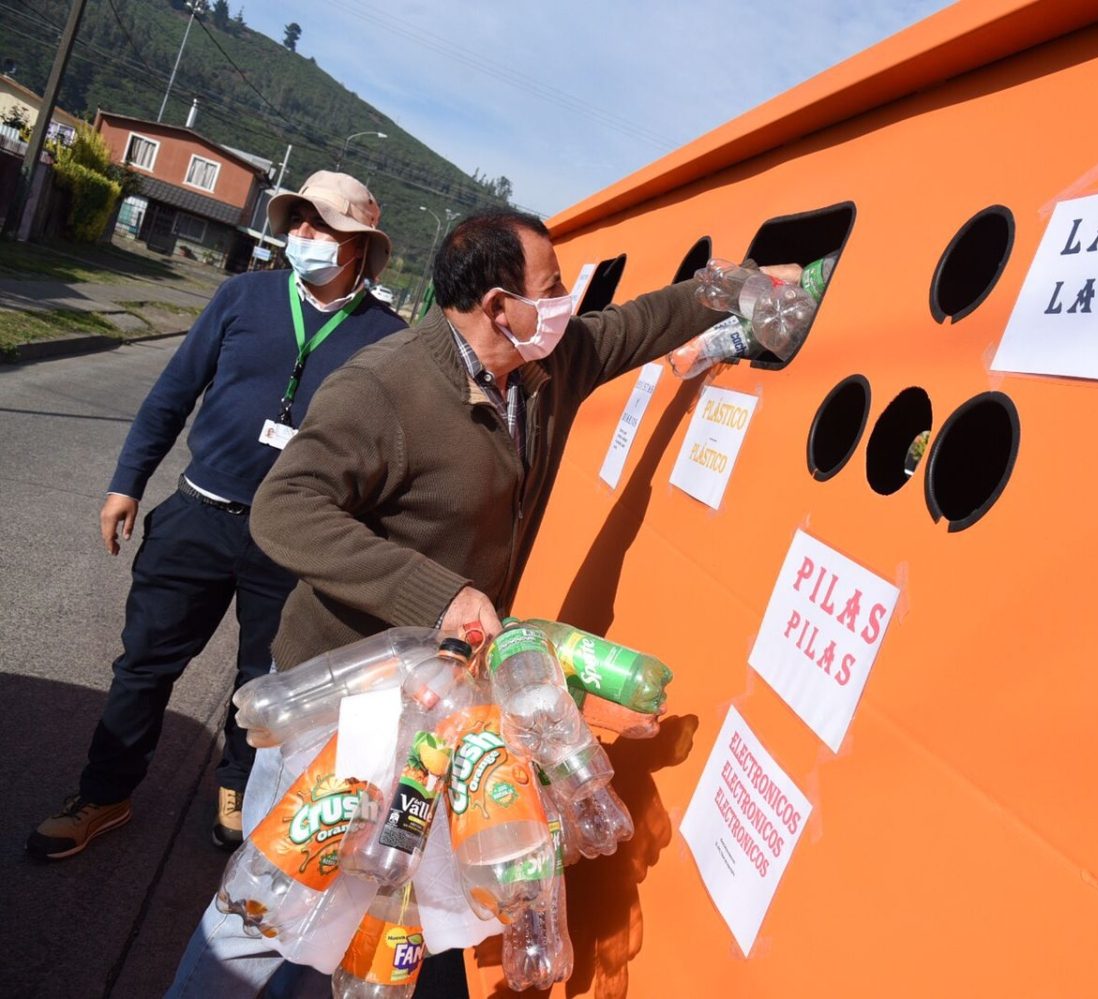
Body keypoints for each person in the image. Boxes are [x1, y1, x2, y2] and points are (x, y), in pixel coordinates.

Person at [164, 208, 800, 995]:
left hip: (433, 701)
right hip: (345, 702)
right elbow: (286, 509)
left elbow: (634, 325)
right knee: (270, 912)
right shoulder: (384, 387)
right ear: (499, 305)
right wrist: (440, 594)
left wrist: (734, 287)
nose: (568, 301)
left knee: (370, 917)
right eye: (553, 286)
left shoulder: (541, 369)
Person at [27, 171, 408, 861]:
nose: (304, 236)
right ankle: (104, 791)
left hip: (295, 546)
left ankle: (237, 786)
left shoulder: (387, 340)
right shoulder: (243, 296)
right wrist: (127, 482)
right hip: (199, 515)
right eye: (298, 221)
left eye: (321, 227)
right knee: (143, 666)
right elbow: (173, 393)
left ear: (358, 246)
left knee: (264, 685)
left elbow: (388, 453)